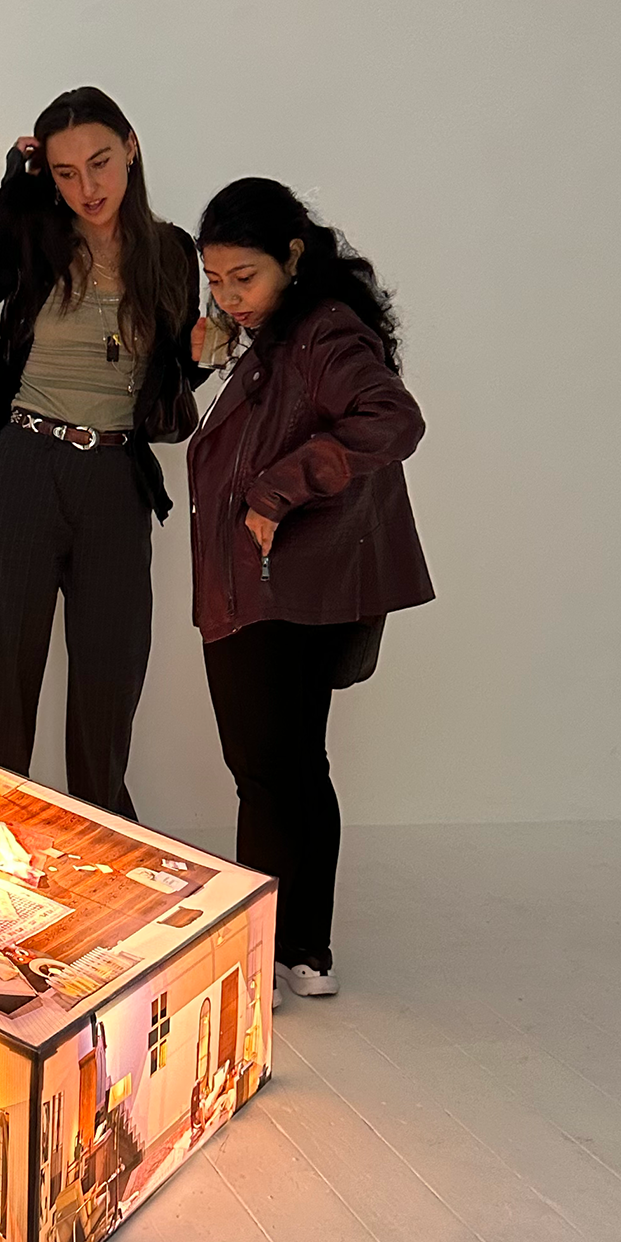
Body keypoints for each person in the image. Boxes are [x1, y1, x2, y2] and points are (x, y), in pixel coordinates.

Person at [187, 177, 434, 999]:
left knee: (264, 773)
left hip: (276, 587)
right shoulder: (275, 335)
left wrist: (277, 489)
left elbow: (392, 418)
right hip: (283, 584)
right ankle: (304, 952)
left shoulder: (322, 334)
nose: (230, 296)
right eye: (216, 280)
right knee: (293, 766)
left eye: (244, 278)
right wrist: (221, 348)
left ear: (292, 257)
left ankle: (261, 960)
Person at [0, 86, 202, 819]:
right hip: (25, 463)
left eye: (99, 162)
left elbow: (173, 381)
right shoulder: (36, 232)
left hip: (116, 477)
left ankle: (104, 845)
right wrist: (12, 190)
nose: (87, 187)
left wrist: (203, 359)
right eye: (65, 172)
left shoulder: (171, 252)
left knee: (108, 682)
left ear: (131, 148)